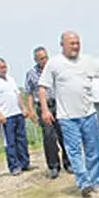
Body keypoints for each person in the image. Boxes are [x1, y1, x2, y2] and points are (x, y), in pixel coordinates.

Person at [38, 31, 99, 197]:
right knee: (74, 152)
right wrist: (45, 110)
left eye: (78, 43)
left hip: (88, 114)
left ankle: (95, 181)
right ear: (62, 45)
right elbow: (43, 87)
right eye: (72, 43)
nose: (75, 46)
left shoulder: (87, 61)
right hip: (67, 117)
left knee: (93, 150)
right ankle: (84, 183)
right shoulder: (54, 64)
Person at [24, 46, 72, 179]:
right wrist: (31, 110)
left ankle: (68, 163)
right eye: (41, 59)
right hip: (43, 107)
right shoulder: (31, 74)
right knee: (49, 137)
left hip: (58, 105)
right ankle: (53, 166)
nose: (44, 60)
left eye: (45, 57)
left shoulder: (54, 69)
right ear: (36, 60)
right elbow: (29, 93)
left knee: (64, 134)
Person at [0, 57, 32, 175]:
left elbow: (18, 95)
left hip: (17, 113)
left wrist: (23, 108)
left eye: (5, 67)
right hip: (6, 116)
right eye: (1, 67)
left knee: (22, 140)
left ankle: (25, 163)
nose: (4, 69)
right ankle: (14, 166)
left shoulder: (11, 79)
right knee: (10, 142)